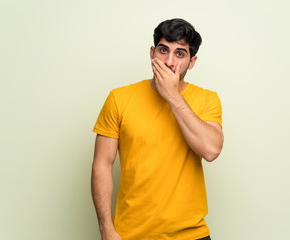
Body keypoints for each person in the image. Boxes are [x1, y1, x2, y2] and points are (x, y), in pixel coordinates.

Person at [91, 18, 223, 240]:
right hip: (130, 234)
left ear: (192, 62)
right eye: (163, 50)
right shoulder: (119, 99)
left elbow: (211, 150)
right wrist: (106, 228)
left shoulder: (207, 100)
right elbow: (102, 165)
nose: (169, 61)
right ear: (152, 53)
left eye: (180, 54)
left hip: (191, 235)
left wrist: (172, 95)